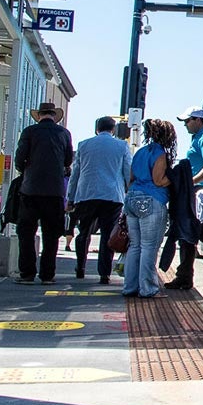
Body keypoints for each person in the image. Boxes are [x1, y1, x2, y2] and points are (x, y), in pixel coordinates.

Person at [13, 101, 74, 285]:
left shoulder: (29, 132)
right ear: (54, 116)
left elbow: (19, 159)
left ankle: (27, 273)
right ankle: (47, 275)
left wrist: (26, 171)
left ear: (39, 115)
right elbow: (68, 160)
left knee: (26, 232)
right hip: (55, 191)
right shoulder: (64, 133)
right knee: (51, 234)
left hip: (30, 189)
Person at [66, 116, 132, 283]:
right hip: (112, 196)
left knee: (84, 232)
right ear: (113, 129)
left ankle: (80, 266)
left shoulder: (84, 145)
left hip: (86, 194)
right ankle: (104, 273)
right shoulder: (122, 146)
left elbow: (76, 174)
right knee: (107, 235)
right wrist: (129, 193)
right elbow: (128, 172)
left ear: (96, 129)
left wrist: (70, 197)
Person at [122, 119, 176, 299]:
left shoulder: (140, 152)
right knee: (149, 247)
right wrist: (174, 177)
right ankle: (148, 288)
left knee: (135, 246)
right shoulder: (159, 153)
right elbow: (158, 180)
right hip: (151, 200)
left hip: (132, 198)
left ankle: (129, 287)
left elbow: (130, 178)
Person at [166, 106, 203, 290]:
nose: (186, 125)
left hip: (202, 192)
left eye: (187, 121)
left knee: (193, 234)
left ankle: (185, 276)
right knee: (188, 235)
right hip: (197, 190)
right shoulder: (198, 138)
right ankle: (184, 275)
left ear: (198, 120)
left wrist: (191, 182)